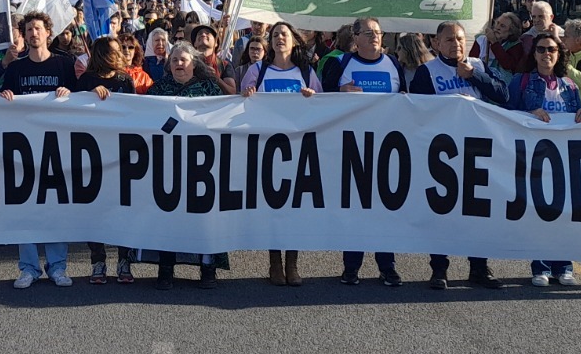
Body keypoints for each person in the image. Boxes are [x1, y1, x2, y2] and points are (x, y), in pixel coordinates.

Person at [408, 21, 510, 290]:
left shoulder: (478, 65)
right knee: (441, 211)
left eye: (460, 39)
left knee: (477, 212)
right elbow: (417, 113)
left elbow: (503, 95)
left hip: (477, 150)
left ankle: (479, 267)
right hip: (443, 153)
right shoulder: (428, 71)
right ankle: (439, 269)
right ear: (436, 43)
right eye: (450, 39)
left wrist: (474, 76)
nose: (456, 44)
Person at [0, 12, 78, 288]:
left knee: (56, 207)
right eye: (29, 29)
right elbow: (3, 101)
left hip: (56, 146)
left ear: (48, 33)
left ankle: (57, 266)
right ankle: (29, 268)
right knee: (26, 208)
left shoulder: (64, 64)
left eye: (38, 29)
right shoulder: (15, 68)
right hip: (24, 147)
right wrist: (4, 96)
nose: (34, 33)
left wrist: (70, 95)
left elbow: (80, 100)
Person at [239, 22, 320, 287]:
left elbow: (323, 105)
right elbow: (241, 104)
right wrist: (247, 95)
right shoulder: (257, 70)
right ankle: (275, 262)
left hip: (299, 149)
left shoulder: (306, 72)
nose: (279, 39)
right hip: (267, 150)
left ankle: (292, 263)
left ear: (293, 40)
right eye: (275, 35)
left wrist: (312, 96)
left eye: (284, 34)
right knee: (273, 206)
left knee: (295, 207)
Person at [507, 33, 581, 287]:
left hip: (564, 159)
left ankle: (564, 266)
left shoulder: (570, 85)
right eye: (541, 49)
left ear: (559, 54)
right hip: (533, 157)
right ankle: (540, 266)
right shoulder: (521, 81)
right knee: (539, 212)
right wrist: (528, 114)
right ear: (534, 54)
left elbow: (578, 114)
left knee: (564, 213)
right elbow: (506, 114)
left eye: (551, 49)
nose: (546, 54)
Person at [328, 18, 406, 287]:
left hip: (386, 147)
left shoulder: (393, 63)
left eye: (378, 32)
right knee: (356, 210)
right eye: (368, 32)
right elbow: (321, 98)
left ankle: (387, 266)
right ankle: (351, 267)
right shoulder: (341, 64)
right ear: (355, 37)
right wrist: (339, 91)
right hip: (352, 147)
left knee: (385, 210)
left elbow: (406, 99)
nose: (374, 36)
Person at [145, 42, 226, 289]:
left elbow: (225, 116)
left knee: (204, 216)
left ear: (194, 63)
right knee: (167, 215)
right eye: (174, 60)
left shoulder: (210, 89)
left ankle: (208, 267)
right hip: (168, 161)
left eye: (183, 59)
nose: (179, 63)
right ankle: (165, 268)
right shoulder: (158, 90)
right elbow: (144, 118)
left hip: (204, 163)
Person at [77, 36, 137, 284]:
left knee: (124, 208)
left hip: (122, 154)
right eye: (115, 51)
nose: (121, 54)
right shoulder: (86, 80)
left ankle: (124, 260)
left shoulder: (125, 80)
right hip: (93, 154)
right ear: (102, 54)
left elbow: (135, 112)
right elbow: (72, 111)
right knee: (95, 209)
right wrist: (88, 96)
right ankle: (98, 261)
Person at [473, 11, 528, 80]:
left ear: (511, 31)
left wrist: (494, 42)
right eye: (497, 23)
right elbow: (472, 61)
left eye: (502, 26)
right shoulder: (481, 39)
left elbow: (507, 65)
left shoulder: (515, 45)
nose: (497, 27)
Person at [187, 24, 237, 94]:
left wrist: (216, 79)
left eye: (207, 33)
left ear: (216, 43)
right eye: (199, 33)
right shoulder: (187, 63)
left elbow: (232, 92)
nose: (203, 34)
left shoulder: (224, 65)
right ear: (195, 43)